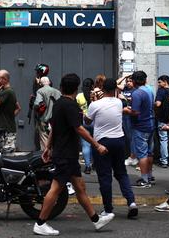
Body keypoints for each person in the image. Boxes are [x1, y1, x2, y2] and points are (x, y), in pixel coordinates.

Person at [32, 73, 112, 236]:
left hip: (66, 154)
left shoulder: (60, 103)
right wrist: (97, 145)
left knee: (80, 188)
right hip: (66, 154)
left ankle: (96, 220)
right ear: (76, 89)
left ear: (61, 87)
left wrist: (47, 147)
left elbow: (54, 127)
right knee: (55, 189)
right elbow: (79, 128)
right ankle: (40, 223)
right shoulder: (70, 105)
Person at [85, 77, 137, 219]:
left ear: (102, 89)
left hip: (102, 142)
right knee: (121, 173)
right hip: (119, 140)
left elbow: (87, 121)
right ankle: (131, 202)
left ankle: (108, 209)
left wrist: (93, 102)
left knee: (105, 176)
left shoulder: (95, 105)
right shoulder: (119, 103)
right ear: (115, 89)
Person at [124, 71, 155, 187]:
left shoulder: (137, 93)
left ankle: (144, 180)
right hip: (150, 123)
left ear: (134, 81)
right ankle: (150, 176)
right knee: (149, 152)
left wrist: (125, 110)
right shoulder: (149, 90)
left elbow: (135, 112)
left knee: (142, 154)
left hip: (141, 126)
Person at [0, 69, 20, 153]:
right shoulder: (11, 91)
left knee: (7, 159)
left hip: (6, 132)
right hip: (7, 130)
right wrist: (9, 117)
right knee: (5, 157)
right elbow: (18, 108)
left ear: (4, 79)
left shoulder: (6, 92)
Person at [34, 77, 61, 151]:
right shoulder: (57, 92)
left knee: (44, 140)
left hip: (44, 119)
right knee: (55, 140)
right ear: (49, 82)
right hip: (56, 120)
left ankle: (46, 159)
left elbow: (37, 104)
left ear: (41, 83)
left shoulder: (40, 91)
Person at [154, 75, 169, 168]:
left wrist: (153, 103)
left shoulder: (161, 91)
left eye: (160, 82)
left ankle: (164, 160)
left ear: (165, 82)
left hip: (162, 118)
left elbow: (158, 104)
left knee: (163, 139)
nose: (158, 84)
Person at [77, 78, 95, 174]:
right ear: (92, 86)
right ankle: (95, 163)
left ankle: (87, 166)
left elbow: (76, 108)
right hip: (95, 121)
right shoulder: (95, 94)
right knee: (95, 143)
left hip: (84, 121)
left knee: (85, 144)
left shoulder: (79, 96)